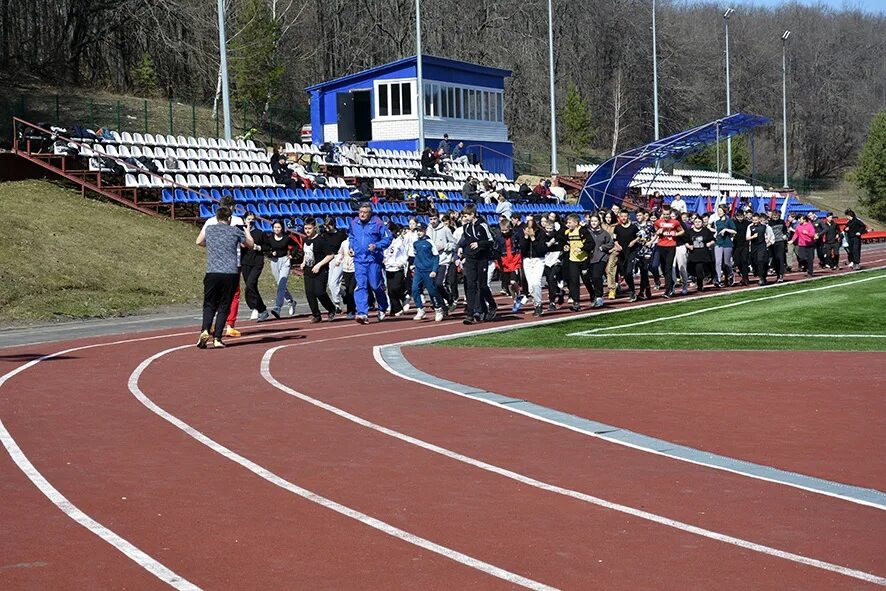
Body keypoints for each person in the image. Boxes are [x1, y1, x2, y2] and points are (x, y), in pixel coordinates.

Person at [195, 206, 254, 349]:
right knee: (224, 305)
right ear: (229, 218)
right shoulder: (235, 231)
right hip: (230, 273)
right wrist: (246, 231)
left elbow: (199, 242)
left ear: (217, 217)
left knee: (209, 303)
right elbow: (250, 245)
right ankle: (217, 338)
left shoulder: (210, 229)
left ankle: (205, 329)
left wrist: (211, 246)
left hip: (212, 271)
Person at [348, 203, 393, 324]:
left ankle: (383, 306)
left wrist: (376, 246)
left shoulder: (377, 223)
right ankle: (362, 313)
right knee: (361, 285)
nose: (362, 214)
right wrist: (351, 247)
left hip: (373, 259)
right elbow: (351, 236)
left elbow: (388, 238)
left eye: (365, 212)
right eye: (360, 211)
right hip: (359, 260)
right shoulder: (354, 223)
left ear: (370, 213)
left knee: (375, 285)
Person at [457, 204, 496, 324]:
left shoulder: (482, 225)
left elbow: (491, 241)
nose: (465, 218)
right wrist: (461, 248)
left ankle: (492, 305)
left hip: (482, 258)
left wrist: (479, 244)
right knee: (470, 285)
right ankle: (470, 313)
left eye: (466, 215)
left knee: (482, 285)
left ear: (472, 214)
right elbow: (466, 241)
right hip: (471, 258)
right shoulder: (466, 227)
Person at [300, 218, 338, 323]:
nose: (307, 230)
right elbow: (307, 253)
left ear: (314, 228)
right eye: (305, 228)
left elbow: (330, 255)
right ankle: (316, 315)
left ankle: (331, 308)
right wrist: (303, 262)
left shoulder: (320, 240)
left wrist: (319, 265)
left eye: (309, 228)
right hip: (308, 270)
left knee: (319, 292)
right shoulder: (305, 240)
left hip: (320, 271)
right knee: (310, 293)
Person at [411, 224, 445, 322]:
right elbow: (416, 255)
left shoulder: (429, 242)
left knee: (432, 291)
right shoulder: (415, 243)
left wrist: (434, 270)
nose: (419, 232)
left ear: (425, 231)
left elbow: (436, 256)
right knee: (414, 289)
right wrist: (414, 265)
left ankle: (438, 308)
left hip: (428, 271)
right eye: (417, 230)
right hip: (418, 270)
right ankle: (420, 309)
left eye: (421, 230)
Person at [426, 210, 458, 314]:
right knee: (433, 285)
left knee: (439, 283)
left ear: (438, 218)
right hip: (431, 262)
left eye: (434, 219)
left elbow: (454, 243)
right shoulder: (428, 229)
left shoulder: (445, 229)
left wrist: (445, 246)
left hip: (443, 260)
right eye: (431, 219)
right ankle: (443, 307)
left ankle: (450, 299)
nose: (433, 221)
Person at [241, 211, 270, 322]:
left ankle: (261, 309)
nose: (251, 221)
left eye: (253, 219)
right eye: (249, 219)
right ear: (244, 220)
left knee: (250, 284)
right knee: (250, 287)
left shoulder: (259, 233)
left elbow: (267, 247)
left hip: (257, 262)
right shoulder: (240, 232)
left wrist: (259, 248)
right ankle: (256, 307)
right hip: (245, 262)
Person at [266, 220, 298, 318]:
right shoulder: (270, 238)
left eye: (278, 227)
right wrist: (271, 254)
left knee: (281, 284)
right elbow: (266, 249)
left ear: (282, 228)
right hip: (274, 262)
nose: (276, 229)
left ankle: (277, 307)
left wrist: (292, 255)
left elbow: (296, 246)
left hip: (284, 261)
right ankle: (291, 301)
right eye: (275, 227)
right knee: (280, 284)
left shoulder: (286, 238)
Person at [518, 217, 548, 316]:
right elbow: (522, 249)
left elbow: (541, 250)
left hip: (538, 260)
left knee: (536, 283)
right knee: (531, 286)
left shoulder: (541, 233)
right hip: (527, 260)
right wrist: (526, 237)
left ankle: (538, 305)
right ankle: (536, 303)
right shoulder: (522, 232)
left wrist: (533, 238)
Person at [654, 206, 685, 298]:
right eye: (664, 214)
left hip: (671, 246)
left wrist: (675, 234)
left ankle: (668, 289)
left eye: (667, 214)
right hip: (661, 246)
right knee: (663, 268)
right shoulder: (658, 222)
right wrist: (658, 231)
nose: (666, 216)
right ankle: (671, 282)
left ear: (670, 214)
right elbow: (655, 230)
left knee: (668, 268)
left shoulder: (675, 222)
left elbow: (682, 231)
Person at [494, 218, 524, 312]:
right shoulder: (498, 237)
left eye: (506, 230)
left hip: (514, 261)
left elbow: (520, 247)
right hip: (504, 262)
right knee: (509, 286)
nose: (504, 232)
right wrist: (497, 263)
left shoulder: (515, 235)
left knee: (513, 282)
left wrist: (519, 259)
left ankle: (519, 293)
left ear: (510, 228)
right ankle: (515, 299)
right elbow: (496, 250)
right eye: (502, 230)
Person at [613, 210, 640, 302]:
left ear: (628, 216)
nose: (623, 218)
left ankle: (632, 291)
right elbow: (614, 239)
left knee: (629, 272)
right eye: (622, 216)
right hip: (622, 253)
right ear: (619, 217)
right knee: (624, 274)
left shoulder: (633, 227)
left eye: (625, 216)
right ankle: (631, 289)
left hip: (631, 252)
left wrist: (634, 241)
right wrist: (617, 245)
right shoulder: (617, 228)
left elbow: (639, 236)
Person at [383, 223, 409, 316]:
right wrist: (384, 260)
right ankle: (397, 308)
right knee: (390, 291)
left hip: (398, 268)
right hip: (388, 268)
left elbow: (405, 254)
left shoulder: (400, 242)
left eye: (391, 231)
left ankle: (404, 295)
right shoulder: (386, 242)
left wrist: (401, 262)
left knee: (396, 288)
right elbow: (385, 253)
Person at [685, 217, 716, 292]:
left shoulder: (706, 231)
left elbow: (713, 240)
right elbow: (685, 241)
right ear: (693, 223)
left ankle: (700, 285)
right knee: (691, 270)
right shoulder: (690, 232)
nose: (697, 223)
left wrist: (710, 243)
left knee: (699, 269)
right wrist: (689, 246)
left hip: (703, 254)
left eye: (699, 221)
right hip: (693, 254)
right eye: (696, 222)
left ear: (702, 223)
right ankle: (697, 279)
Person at [323, 219, 348, 313]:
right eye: (325, 226)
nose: (326, 228)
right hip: (330, 258)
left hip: (339, 258)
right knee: (330, 284)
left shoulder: (341, 235)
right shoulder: (325, 235)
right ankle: (344, 293)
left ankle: (336, 304)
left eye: (328, 226)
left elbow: (346, 246)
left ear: (333, 225)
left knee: (334, 283)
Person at [747, 212, 774, 284]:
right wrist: (753, 237)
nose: (754, 222)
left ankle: (761, 277)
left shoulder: (764, 227)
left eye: (756, 220)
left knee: (760, 260)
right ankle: (759, 273)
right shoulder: (750, 227)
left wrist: (768, 241)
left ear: (759, 219)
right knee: (754, 262)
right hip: (753, 246)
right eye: (753, 220)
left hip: (762, 246)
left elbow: (769, 234)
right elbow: (747, 237)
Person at [713, 205, 736, 287]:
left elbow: (734, 231)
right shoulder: (717, 222)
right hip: (718, 243)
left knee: (726, 262)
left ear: (724, 211)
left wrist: (726, 230)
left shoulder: (729, 221)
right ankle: (718, 279)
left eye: (720, 210)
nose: (719, 212)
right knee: (718, 262)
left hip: (727, 243)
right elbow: (717, 231)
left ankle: (730, 273)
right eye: (718, 210)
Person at [634, 209, 655, 300]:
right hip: (638, 251)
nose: (638, 217)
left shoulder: (650, 225)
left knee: (645, 270)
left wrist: (651, 242)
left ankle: (642, 291)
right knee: (642, 270)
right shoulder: (635, 226)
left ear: (644, 215)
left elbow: (656, 235)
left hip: (648, 250)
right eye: (637, 216)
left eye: (640, 215)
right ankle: (647, 287)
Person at [600, 210, 620, 299]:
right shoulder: (602, 226)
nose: (608, 219)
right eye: (607, 217)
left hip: (614, 250)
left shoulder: (616, 227)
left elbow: (618, 239)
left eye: (610, 217)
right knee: (602, 270)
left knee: (610, 269)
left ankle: (612, 289)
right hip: (604, 250)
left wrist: (615, 248)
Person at [337, 237, 357, 319]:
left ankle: (352, 310)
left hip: (355, 269)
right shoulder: (344, 243)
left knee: (351, 290)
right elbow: (340, 253)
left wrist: (355, 254)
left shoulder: (358, 242)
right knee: (348, 290)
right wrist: (338, 261)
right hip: (346, 269)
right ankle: (350, 308)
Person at [767, 210, 788, 282]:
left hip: (780, 242)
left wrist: (785, 235)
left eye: (776, 216)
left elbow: (785, 230)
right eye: (774, 216)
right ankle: (778, 274)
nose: (775, 217)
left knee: (780, 258)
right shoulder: (769, 223)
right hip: (772, 243)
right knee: (774, 259)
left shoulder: (782, 222)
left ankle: (781, 274)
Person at [732, 209, 751, 285]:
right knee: (737, 262)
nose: (740, 218)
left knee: (744, 261)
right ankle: (743, 273)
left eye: (741, 216)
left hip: (745, 245)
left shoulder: (747, 223)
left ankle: (745, 278)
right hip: (736, 245)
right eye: (738, 217)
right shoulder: (733, 223)